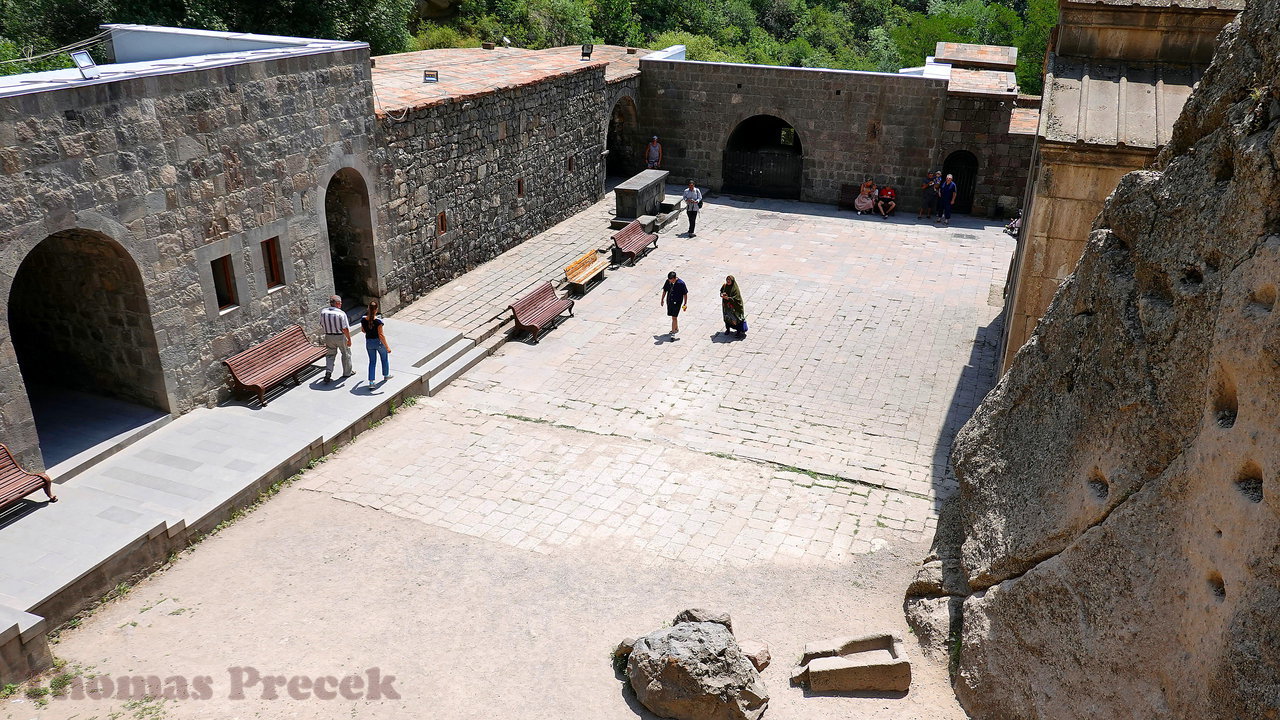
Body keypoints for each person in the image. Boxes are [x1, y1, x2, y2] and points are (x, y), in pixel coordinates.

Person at [320, 295, 353, 383]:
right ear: (338, 303)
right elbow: (345, 328)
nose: (341, 304)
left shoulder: (323, 312)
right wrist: (349, 339)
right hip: (340, 336)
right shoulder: (341, 314)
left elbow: (322, 324)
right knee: (346, 353)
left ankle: (328, 372)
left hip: (328, 336)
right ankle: (347, 372)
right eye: (340, 303)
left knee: (330, 355)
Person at [360, 299, 392, 385]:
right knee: (384, 359)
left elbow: (363, 330)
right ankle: (386, 374)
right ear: (376, 309)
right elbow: (381, 335)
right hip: (378, 343)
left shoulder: (363, 320)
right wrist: (387, 347)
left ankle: (371, 382)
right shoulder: (378, 322)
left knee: (372, 361)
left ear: (368, 308)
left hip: (369, 343)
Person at [661, 271, 689, 335]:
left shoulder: (681, 283)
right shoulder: (668, 281)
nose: (670, 281)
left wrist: (685, 303)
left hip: (677, 303)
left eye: (671, 280)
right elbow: (665, 291)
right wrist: (662, 299)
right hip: (670, 301)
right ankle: (676, 328)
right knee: (673, 317)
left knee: (674, 317)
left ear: (674, 278)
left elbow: (685, 294)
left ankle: (673, 333)